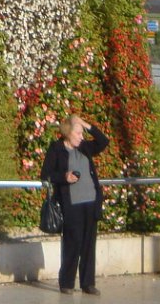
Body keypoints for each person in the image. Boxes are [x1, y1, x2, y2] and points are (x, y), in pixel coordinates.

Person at [41, 115, 109, 295]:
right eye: (78, 133)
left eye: (82, 133)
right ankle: (67, 282)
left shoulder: (85, 147)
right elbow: (46, 174)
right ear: (68, 133)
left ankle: (88, 283)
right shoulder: (56, 149)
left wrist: (86, 124)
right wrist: (64, 177)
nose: (81, 136)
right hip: (71, 204)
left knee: (89, 244)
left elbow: (103, 141)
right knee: (73, 243)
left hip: (91, 202)